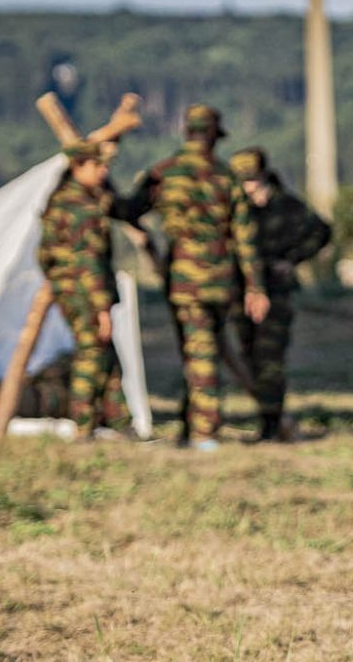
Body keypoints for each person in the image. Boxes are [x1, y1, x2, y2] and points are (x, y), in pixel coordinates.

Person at [121, 103, 261, 451]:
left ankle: (204, 433)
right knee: (201, 350)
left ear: (187, 132)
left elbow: (128, 209)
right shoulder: (227, 176)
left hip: (184, 280)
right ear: (214, 136)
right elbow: (245, 237)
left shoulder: (164, 173)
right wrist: (255, 286)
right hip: (221, 279)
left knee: (198, 352)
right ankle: (193, 428)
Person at [229, 147, 332, 441]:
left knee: (270, 358)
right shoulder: (235, 207)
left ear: (262, 176)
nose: (248, 186)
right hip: (241, 291)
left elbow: (321, 232)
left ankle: (272, 426)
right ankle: (269, 418)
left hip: (275, 293)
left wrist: (292, 259)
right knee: (249, 354)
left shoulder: (286, 206)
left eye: (251, 179)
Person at [36, 139, 127, 438]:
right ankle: (83, 425)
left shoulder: (61, 200)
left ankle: (120, 424)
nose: (103, 172)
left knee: (107, 357)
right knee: (91, 354)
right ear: (79, 166)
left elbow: (45, 256)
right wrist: (102, 309)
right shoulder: (81, 209)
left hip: (71, 288)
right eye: (98, 166)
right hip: (84, 293)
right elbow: (90, 262)